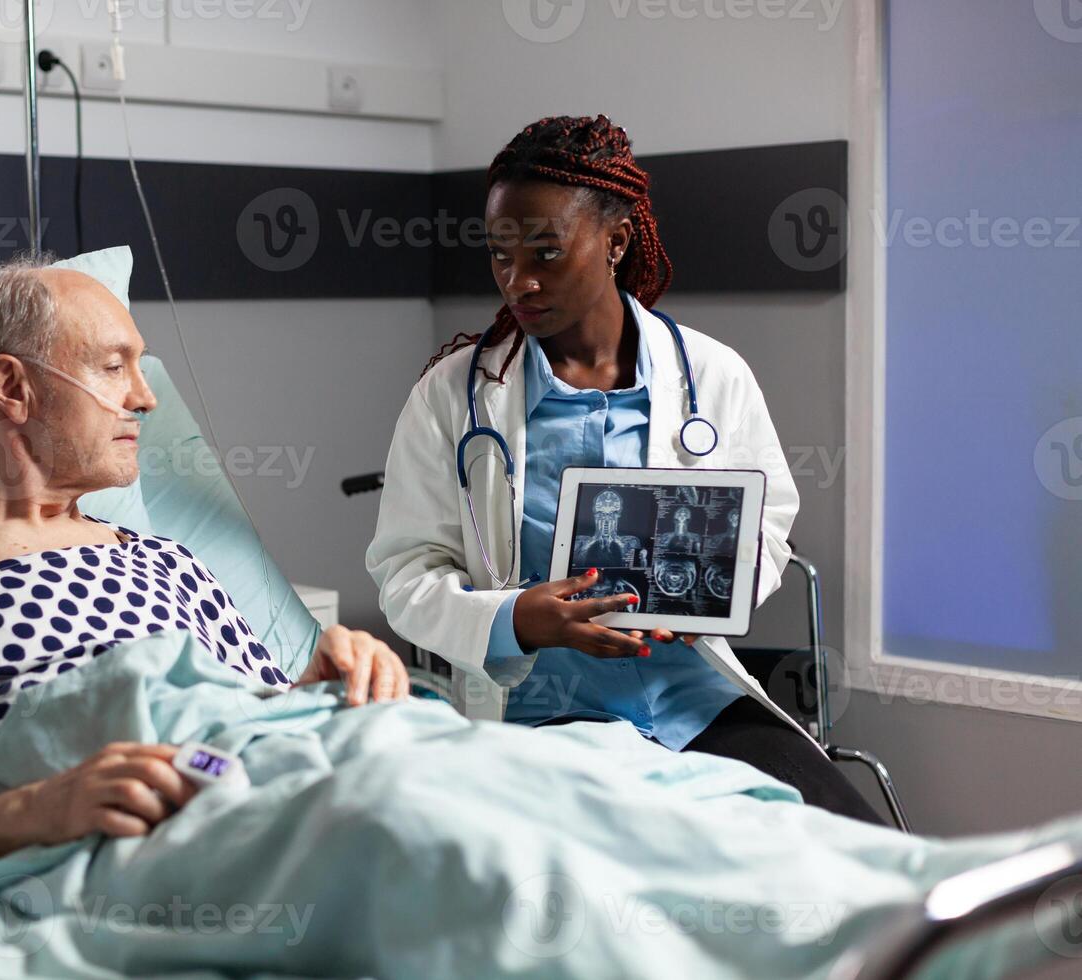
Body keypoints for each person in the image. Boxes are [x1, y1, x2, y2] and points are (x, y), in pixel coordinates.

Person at [0, 257, 408, 967]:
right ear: (12, 388)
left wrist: (330, 684)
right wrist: (38, 811)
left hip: (271, 808)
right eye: (113, 367)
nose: (145, 398)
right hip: (128, 864)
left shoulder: (170, 562)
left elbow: (256, 733)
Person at [366, 114, 879, 824]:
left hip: (695, 700)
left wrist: (710, 597)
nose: (519, 281)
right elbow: (405, 574)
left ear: (616, 240)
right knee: (632, 863)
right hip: (544, 714)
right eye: (500, 254)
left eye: (546, 252)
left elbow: (768, 524)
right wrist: (518, 618)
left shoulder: (710, 373)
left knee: (847, 838)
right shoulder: (453, 396)